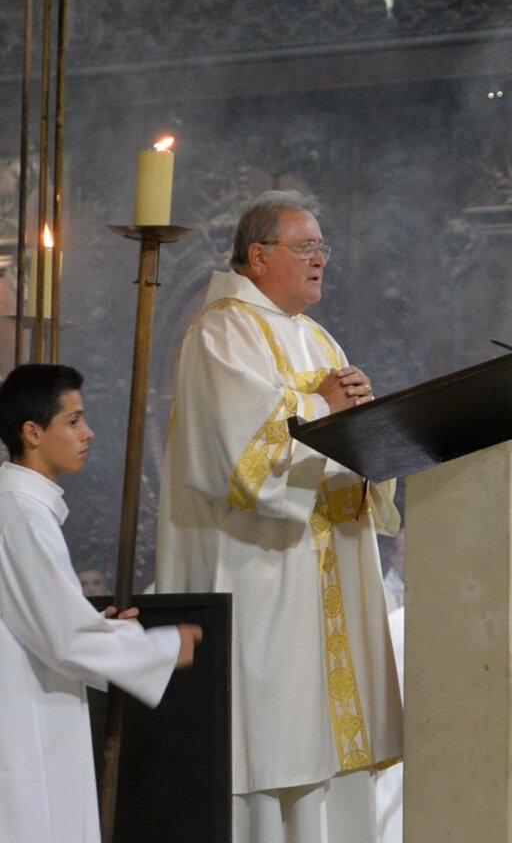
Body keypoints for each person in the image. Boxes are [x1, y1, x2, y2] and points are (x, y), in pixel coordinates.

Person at [155, 189, 402, 843]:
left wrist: (371, 430)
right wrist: (322, 406)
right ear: (258, 256)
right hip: (260, 574)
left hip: (318, 582)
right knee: (267, 751)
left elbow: (334, 444)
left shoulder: (317, 336)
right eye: (305, 247)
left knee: (321, 751)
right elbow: (238, 461)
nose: (320, 259)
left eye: (322, 247)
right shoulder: (223, 329)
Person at [0, 363, 201, 843]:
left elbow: (42, 622)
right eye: (73, 421)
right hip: (25, 716)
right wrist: (159, 648)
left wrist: (105, 628)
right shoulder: (23, 514)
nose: (87, 433)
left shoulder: (20, 506)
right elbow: (64, 638)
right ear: (32, 432)